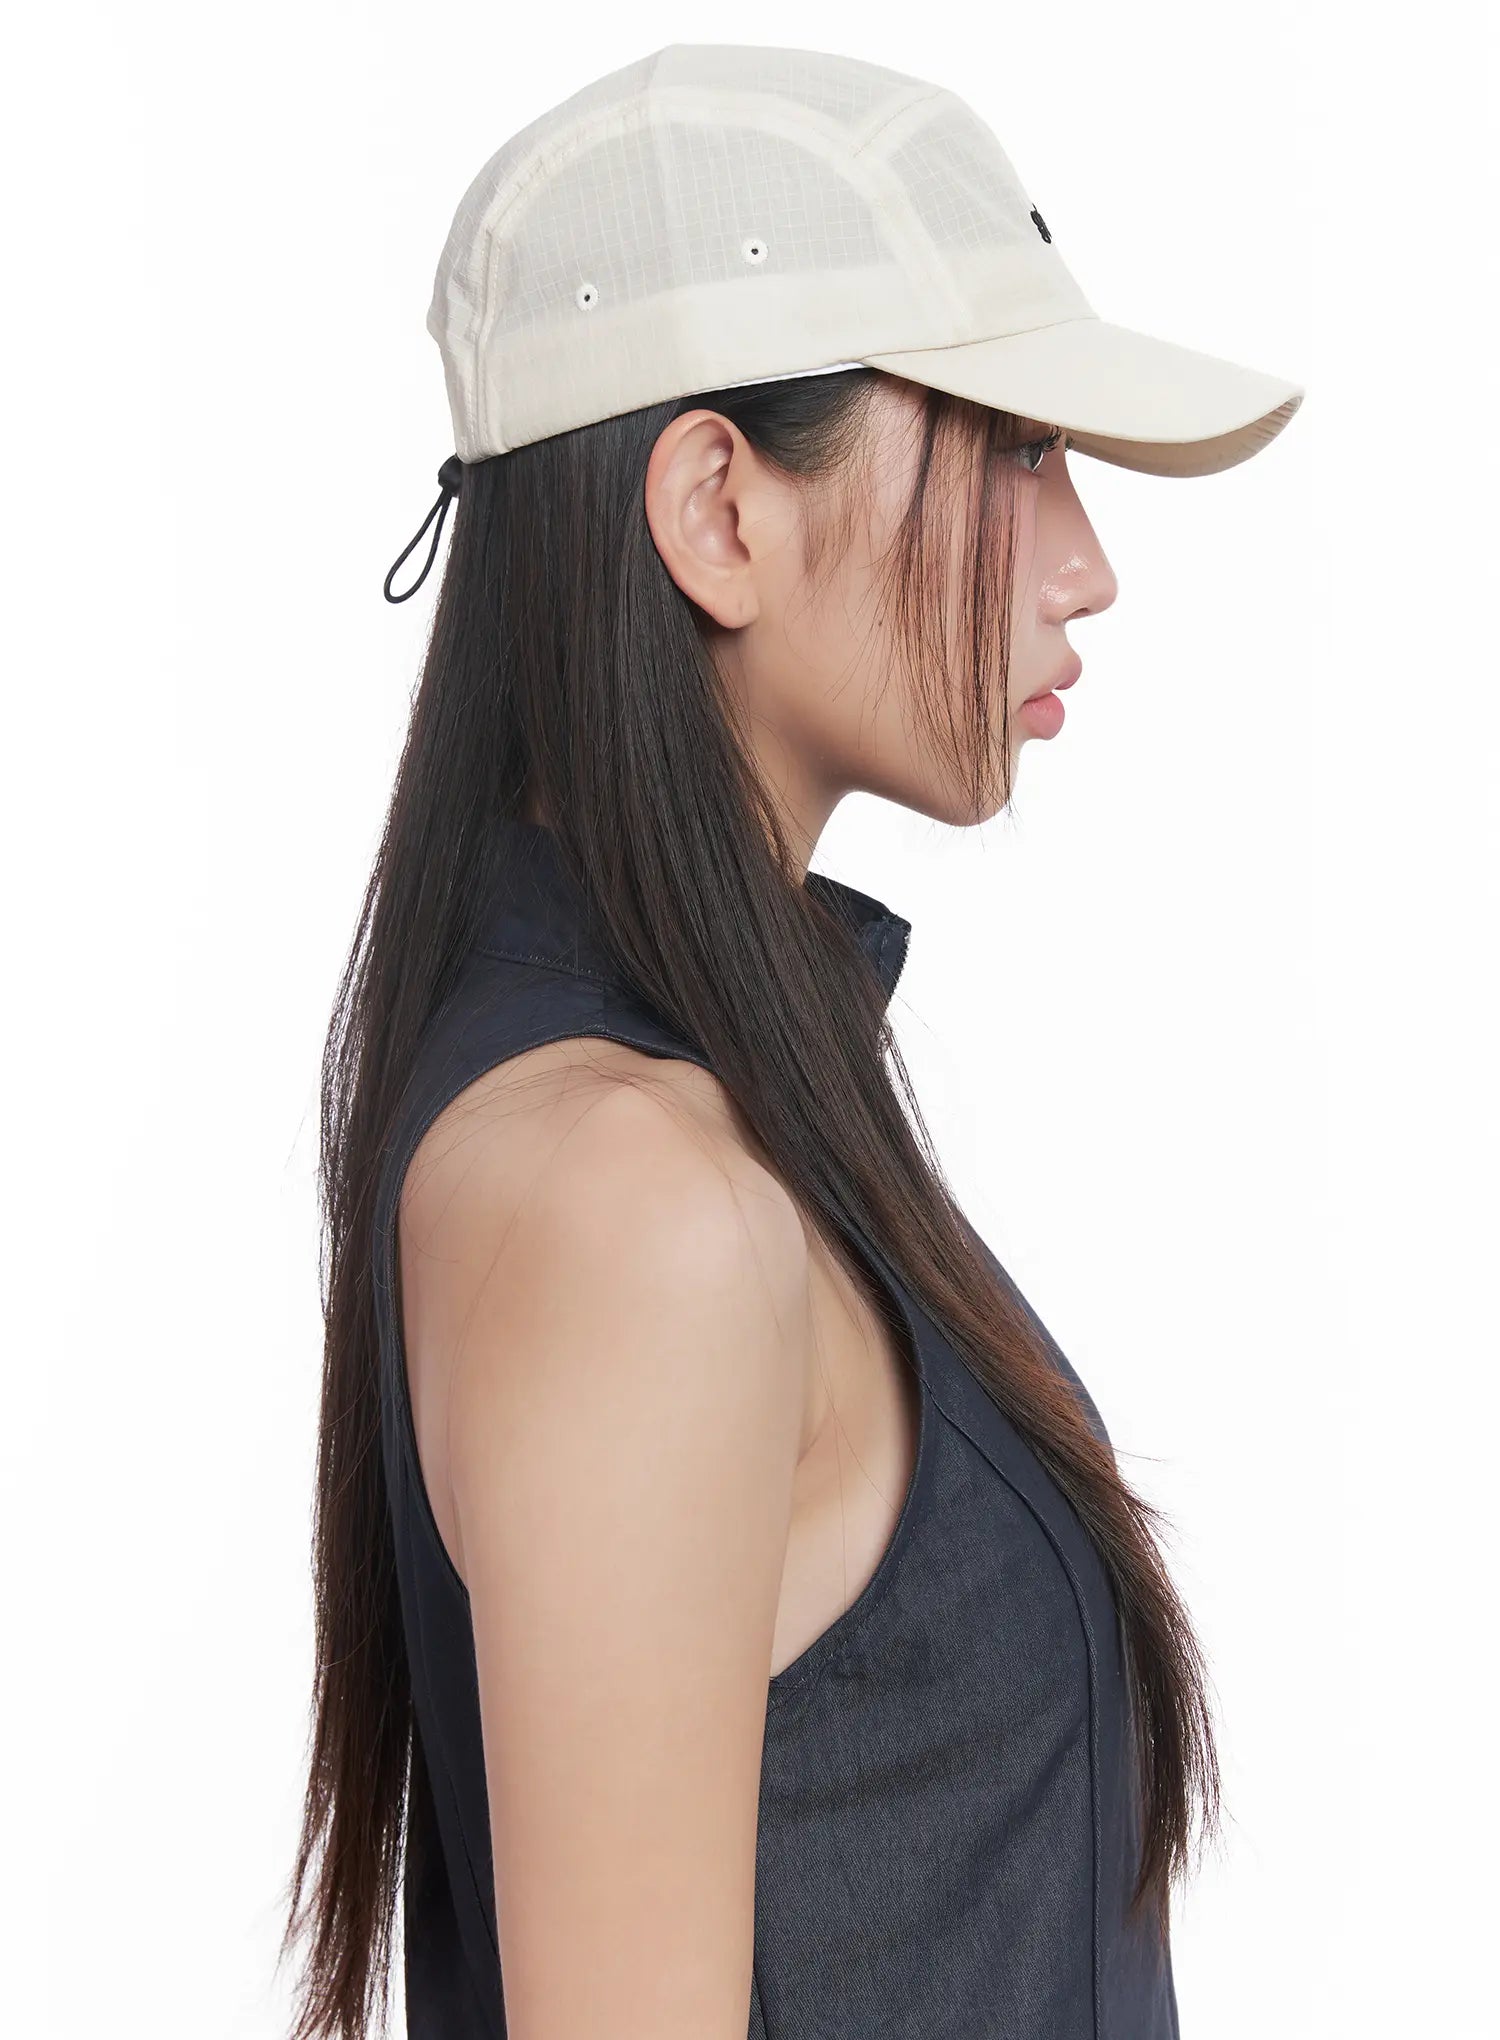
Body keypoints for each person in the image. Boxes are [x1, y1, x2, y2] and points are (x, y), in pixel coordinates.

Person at [282, 42, 1304, 2040]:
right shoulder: (633, 1204)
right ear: (717, 509)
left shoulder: (697, 1130)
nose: (1086, 563)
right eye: (1016, 448)